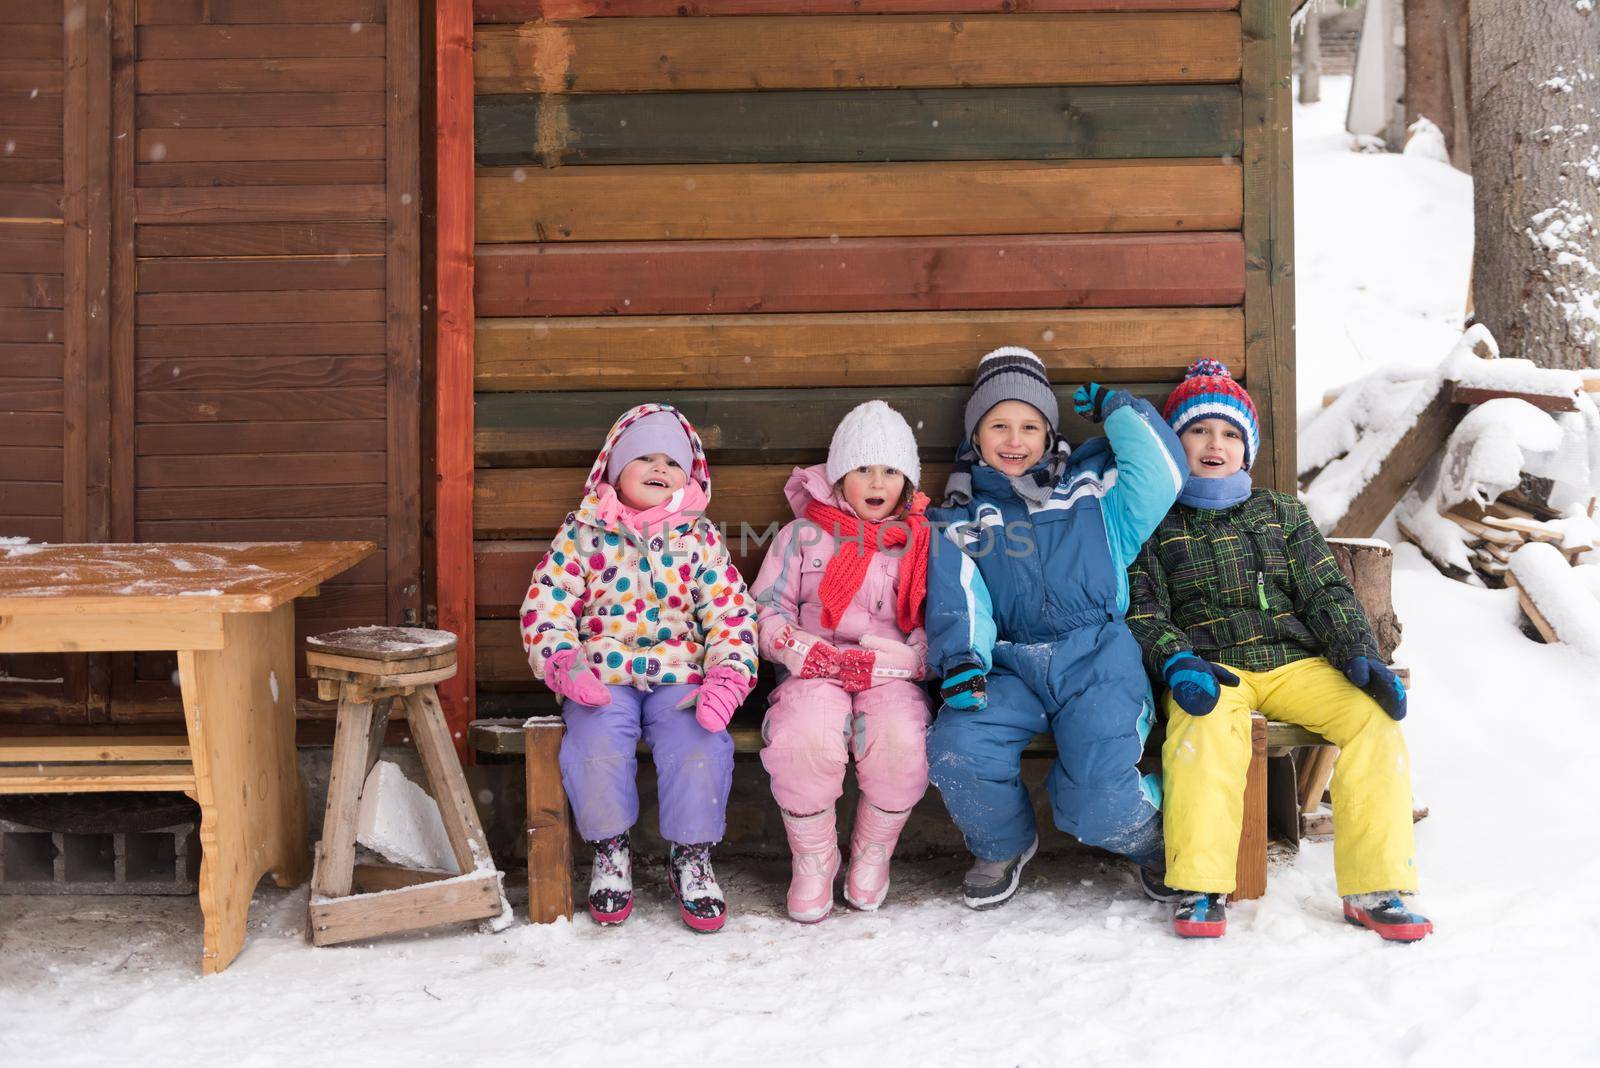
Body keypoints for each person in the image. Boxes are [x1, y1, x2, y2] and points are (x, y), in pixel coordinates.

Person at [1128, 359, 1430, 941]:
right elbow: (1143, 607)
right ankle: (1200, 884)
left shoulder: (1281, 512)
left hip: (1296, 663)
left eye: (1230, 434)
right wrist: (1176, 659)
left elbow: (1324, 589)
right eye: (1199, 430)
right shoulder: (1155, 521)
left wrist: (1358, 654)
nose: (1215, 444)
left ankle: (1377, 886)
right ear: (1175, 441)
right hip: (1212, 667)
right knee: (1202, 726)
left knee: (1374, 719)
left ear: (1248, 448)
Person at [925, 346, 1187, 909]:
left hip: (1096, 658)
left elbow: (1164, 472)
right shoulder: (960, 514)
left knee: (1097, 794)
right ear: (976, 435)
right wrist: (964, 660)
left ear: (1049, 432)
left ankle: (1146, 838)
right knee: (959, 746)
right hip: (1009, 664)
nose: (1014, 439)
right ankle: (1002, 843)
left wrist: (1120, 409)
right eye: (998, 425)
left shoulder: (1095, 488)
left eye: (1028, 425)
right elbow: (958, 594)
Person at [520, 404, 757, 932]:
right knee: (595, 744)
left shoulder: (698, 537)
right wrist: (562, 660)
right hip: (602, 676)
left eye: (672, 463)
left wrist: (729, 673)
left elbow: (730, 611)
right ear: (615, 469)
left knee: (701, 743)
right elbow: (549, 601)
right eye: (645, 457)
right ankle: (610, 849)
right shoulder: (584, 532)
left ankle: (691, 854)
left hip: (680, 676)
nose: (660, 469)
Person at [752, 401, 934, 922]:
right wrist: (791, 644)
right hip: (814, 669)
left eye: (891, 471)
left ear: (907, 480)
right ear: (838, 476)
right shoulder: (800, 537)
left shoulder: (919, 544)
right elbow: (765, 607)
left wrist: (912, 655)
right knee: (803, 737)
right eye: (863, 469)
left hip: (889, 674)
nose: (877, 482)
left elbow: (939, 617)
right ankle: (813, 857)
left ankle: (874, 852)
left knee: (901, 740)